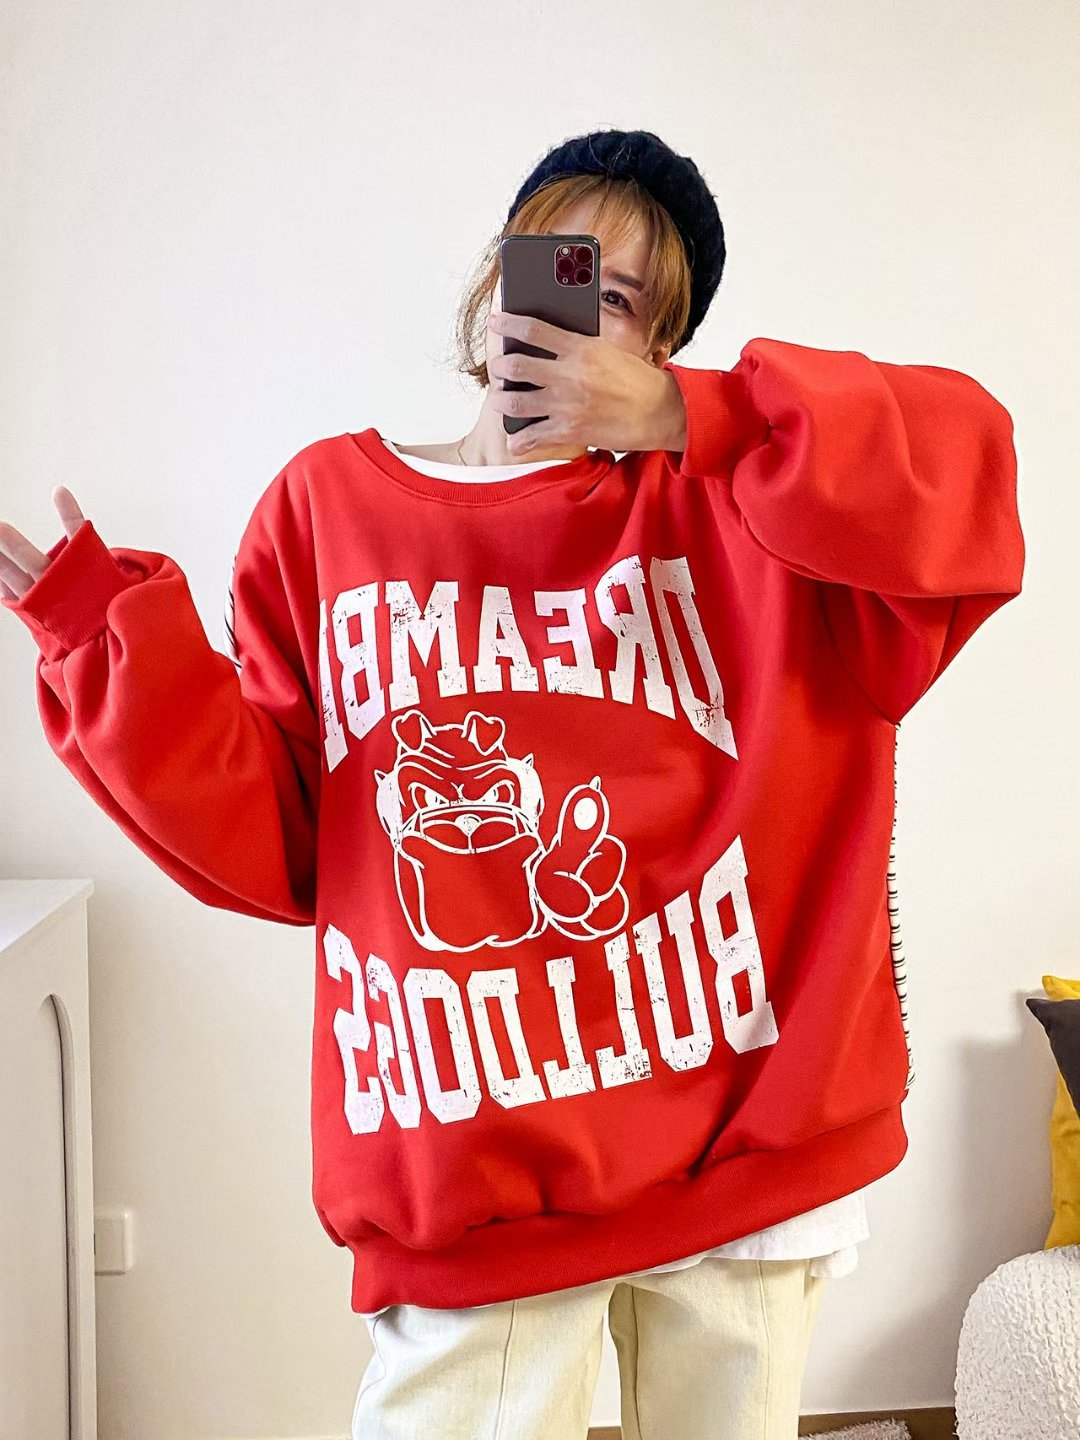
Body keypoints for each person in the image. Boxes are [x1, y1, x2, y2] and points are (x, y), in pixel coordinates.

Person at [0, 128, 1025, 1439]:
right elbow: (287, 838)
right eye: (554, 264)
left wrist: (692, 420)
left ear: (663, 345)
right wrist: (101, 643)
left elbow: (968, 457)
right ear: (494, 284)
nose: (573, 314)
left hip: (743, 1148)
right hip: (475, 1164)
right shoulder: (329, 509)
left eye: (623, 300)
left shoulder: (746, 509)